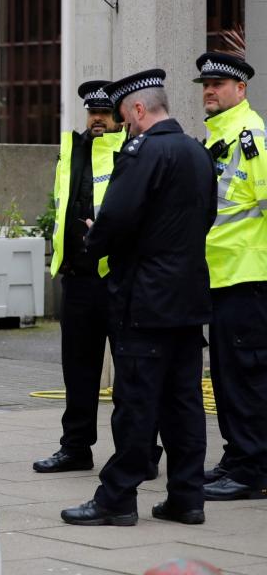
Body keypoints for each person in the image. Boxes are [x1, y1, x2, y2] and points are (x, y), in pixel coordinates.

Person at [61, 69, 216, 526]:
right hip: (188, 298)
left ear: (138, 110)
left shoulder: (143, 151)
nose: (124, 125)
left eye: (126, 117)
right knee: (183, 402)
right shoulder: (196, 151)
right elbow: (206, 217)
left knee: (135, 401)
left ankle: (116, 498)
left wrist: (94, 239)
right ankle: (187, 497)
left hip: (144, 299)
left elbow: (118, 216)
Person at [33, 81, 129, 473]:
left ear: (120, 116)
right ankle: (75, 448)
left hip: (119, 278)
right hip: (77, 277)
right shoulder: (71, 150)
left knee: (130, 371)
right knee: (78, 371)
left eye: (105, 113)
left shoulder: (129, 152)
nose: (98, 120)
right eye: (92, 113)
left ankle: (136, 451)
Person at [193, 52, 267, 501]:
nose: (209, 90)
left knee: (247, 376)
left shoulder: (251, 136)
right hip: (221, 277)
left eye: (219, 84)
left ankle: (253, 467)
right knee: (225, 377)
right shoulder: (216, 137)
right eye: (206, 83)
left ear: (240, 90)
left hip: (246, 276)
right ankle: (237, 457)